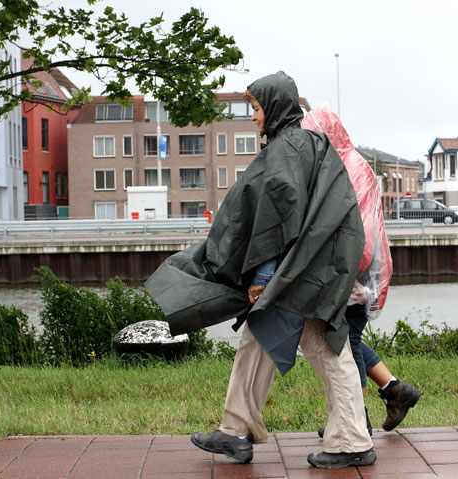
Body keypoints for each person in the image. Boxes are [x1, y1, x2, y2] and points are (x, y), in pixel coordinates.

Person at [145, 71, 376, 469]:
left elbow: (278, 220)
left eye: (256, 107)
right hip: (315, 266)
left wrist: (264, 277)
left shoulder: (286, 149)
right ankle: (237, 431)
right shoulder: (311, 143)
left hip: (296, 274)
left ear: (275, 106)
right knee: (264, 339)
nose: (253, 116)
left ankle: (351, 440)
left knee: (324, 349)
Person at [301, 106, 421, 436]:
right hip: (354, 272)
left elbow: (361, 236)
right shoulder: (341, 165)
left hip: (356, 274)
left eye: (313, 137)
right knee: (343, 339)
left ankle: (358, 422)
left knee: (345, 345)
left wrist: (345, 274)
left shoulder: (348, 169)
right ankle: (395, 390)